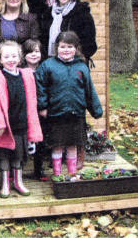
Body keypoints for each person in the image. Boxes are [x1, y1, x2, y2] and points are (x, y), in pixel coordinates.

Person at [38, 0, 98, 169]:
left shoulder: (81, 13)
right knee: (54, 111)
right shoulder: (49, 13)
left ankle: (79, 152)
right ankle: (55, 152)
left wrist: (77, 58)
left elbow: (91, 44)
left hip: (75, 67)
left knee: (76, 113)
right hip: (52, 66)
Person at [36, 31, 103, 177]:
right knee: (57, 145)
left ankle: (72, 174)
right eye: (63, 47)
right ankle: (57, 173)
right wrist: (42, 106)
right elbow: (40, 87)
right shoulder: (48, 66)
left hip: (76, 113)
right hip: (56, 114)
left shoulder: (82, 67)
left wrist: (96, 110)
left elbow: (89, 90)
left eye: (70, 47)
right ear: (56, 48)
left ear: (76, 48)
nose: (66, 50)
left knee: (72, 145)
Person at [0, 41, 43, 198]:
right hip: (5, 126)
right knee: (4, 156)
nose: (10, 59)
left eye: (14, 56)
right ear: (0, 59)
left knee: (19, 156)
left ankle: (18, 182)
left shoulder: (26, 75)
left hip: (21, 124)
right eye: (6, 56)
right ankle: (5, 183)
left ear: (20, 57)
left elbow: (32, 99)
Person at [21, 39, 50, 180]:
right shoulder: (19, 71)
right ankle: (18, 170)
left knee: (41, 141)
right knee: (22, 141)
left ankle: (39, 170)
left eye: (37, 51)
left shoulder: (45, 70)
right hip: (24, 112)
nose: (33, 54)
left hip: (40, 112)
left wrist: (44, 107)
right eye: (30, 52)